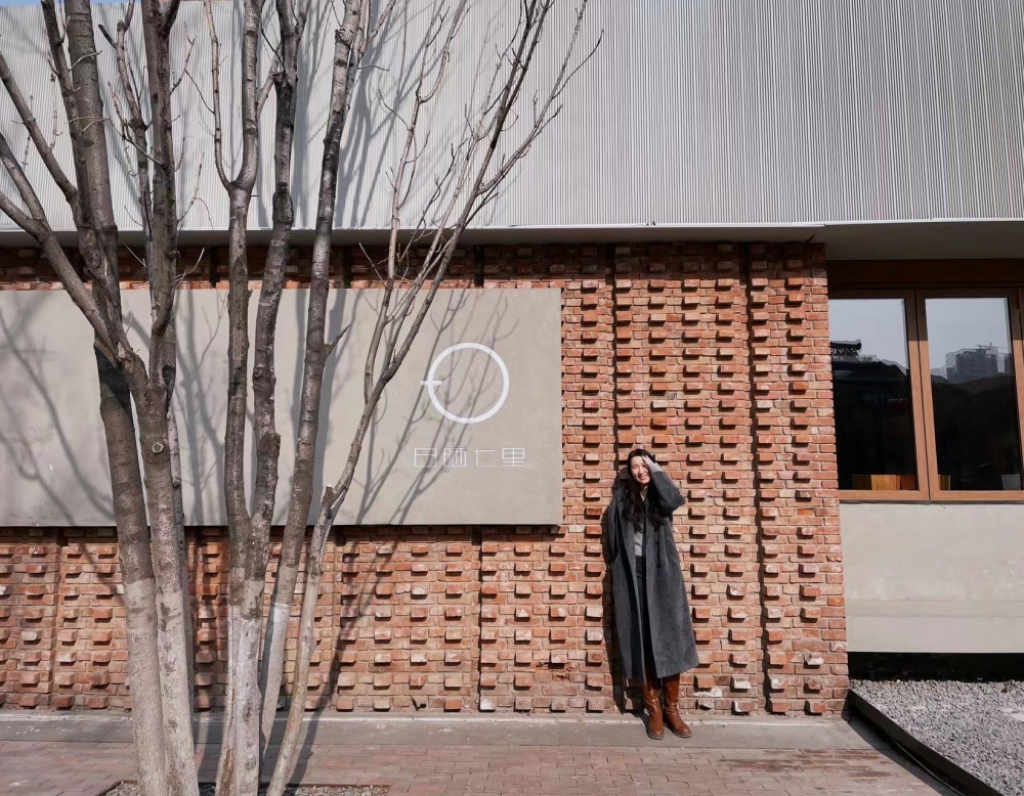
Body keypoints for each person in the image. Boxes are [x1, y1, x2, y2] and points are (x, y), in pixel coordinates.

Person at [604, 448, 699, 739]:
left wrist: (657, 472)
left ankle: (672, 709)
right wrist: (618, 565)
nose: (640, 470)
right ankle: (653, 709)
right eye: (635, 466)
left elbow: (675, 500)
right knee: (642, 640)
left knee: (669, 638)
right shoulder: (622, 499)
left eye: (645, 465)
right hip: (633, 575)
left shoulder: (661, 494)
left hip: (662, 574)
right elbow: (612, 536)